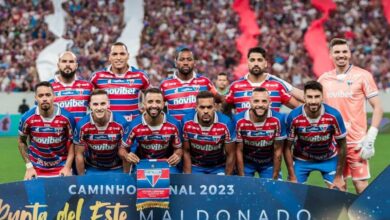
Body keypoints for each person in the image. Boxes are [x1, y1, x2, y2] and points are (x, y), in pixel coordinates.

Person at [318, 38, 383, 193]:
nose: (341, 55)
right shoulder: (323, 79)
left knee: (361, 187)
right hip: (332, 144)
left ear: (349, 54)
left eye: (344, 51)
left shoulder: (363, 76)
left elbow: (378, 107)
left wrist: (370, 138)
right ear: (331, 55)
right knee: (336, 190)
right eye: (337, 52)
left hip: (356, 143)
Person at [284, 81, 347, 190]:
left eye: (317, 97)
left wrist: (338, 176)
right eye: (309, 97)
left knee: (340, 191)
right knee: (291, 191)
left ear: (322, 97)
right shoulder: (293, 116)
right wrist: (292, 175)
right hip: (302, 160)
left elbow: (343, 145)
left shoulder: (334, 115)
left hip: (328, 158)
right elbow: (287, 147)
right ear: (304, 97)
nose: (313, 101)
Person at [18, 81, 75, 179]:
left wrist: (67, 167)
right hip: (36, 169)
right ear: (36, 98)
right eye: (40, 96)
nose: (44, 99)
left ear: (54, 96)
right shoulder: (27, 118)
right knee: (32, 194)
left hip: (61, 168)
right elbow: (21, 141)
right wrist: (29, 167)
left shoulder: (67, 117)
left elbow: (73, 143)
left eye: (48, 95)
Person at [224, 47, 303, 115]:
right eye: (252, 60)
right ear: (248, 63)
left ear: (265, 63)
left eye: (259, 60)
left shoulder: (277, 86)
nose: (256, 63)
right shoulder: (235, 87)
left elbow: (300, 107)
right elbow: (223, 110)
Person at [119, 88, 183, 173]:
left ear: (163, 104)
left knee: (175, 182)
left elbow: (179, 149)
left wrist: (177, 155)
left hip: (166, 163)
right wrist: (127, 155)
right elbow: (122, 149)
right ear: (144, 104)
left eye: (158, 102)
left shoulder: (174, 124)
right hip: (142, 163)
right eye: (150, 102)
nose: (154, 105)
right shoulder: (134, 125)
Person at [234, 87, 286, 179]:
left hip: (268, 163)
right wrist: (242, 177)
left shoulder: (279, 119)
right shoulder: (238, 120)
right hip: (247, 163)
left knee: (274, 191)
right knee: (243, 191)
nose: (260, 105)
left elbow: (277, 150)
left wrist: (275, 177)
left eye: (264, 101)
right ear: (250, 102)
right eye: (256, 101)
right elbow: (239, 150)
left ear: (270, 102)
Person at [90, 42, 150, 121]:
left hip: (132, 126)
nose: (118, 58)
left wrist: (145, 107)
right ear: (109, 57)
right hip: (107, 127)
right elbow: (88, 100)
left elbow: (152, 96)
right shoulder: (97, 77)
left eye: (122, 54)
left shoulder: (140, 76)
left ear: (128, 56)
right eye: (115, 54)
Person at [73, 89, 128, 175]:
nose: (99, 108)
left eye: (103, 104)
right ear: (90, 105)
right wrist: (82, 180)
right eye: (95, 104)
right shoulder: (82, 125)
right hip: (92, 168)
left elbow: (126, 153)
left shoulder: (122, 123)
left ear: (108, 104)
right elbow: (79, 155)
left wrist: (126, 177)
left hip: (117, 167)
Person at [182, 91, 236, 175]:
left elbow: (231, 154)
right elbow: (186, 151)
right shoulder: (186, 122)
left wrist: (227, 179)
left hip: (218, 167)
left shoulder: (226, 123)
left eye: (209, 107)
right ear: (196, 107)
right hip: (196, 166)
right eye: (202, 107)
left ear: (215, 107)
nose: (206, 111)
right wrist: (188, 177)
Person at [160, 47, 220, 121]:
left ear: (194, 62)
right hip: (176, 131)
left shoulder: (205, 82)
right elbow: (157, 106)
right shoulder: (165, 85)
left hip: (198, 131)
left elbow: (219, 99)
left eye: (189, 59)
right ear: (175, 62)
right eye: (182, 59)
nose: (185, 63)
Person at [49, 51, 94, 122]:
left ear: (76, 66)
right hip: (57, 132)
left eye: (71, 61)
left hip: (79, 132)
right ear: (58, 65)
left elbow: (96, 109)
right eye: (64, 61)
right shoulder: (48, 87)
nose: (67, 64)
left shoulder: (87, 87)